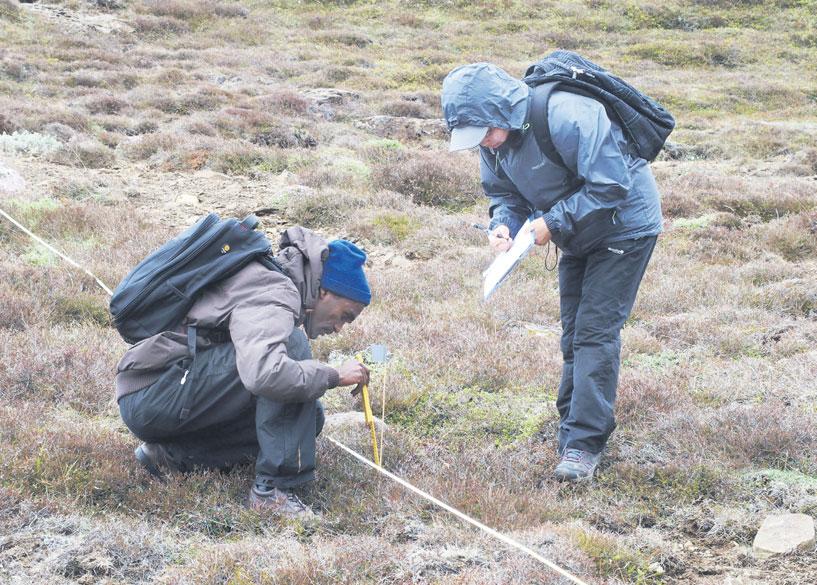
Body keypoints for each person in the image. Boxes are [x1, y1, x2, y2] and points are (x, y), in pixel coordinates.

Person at [442, 63, 662, 481]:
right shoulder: (492, 144)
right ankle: (571, 427)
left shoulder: (567, 113)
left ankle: (583, 445)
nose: (484, 144)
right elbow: (504, 193)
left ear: (500, 110)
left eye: (485, 132)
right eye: (476, 139)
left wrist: (552, 222)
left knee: (594, 331)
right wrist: (503, 222)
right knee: (572, 331)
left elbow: (612, 184)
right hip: (575, 231)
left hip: (625, 226)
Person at [115, 226, 372, 518]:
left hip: (156, 390)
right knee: (290, 347)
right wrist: (332, 376)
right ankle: (273, 492)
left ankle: (170, 457)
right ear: (325, 291)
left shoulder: (270, 283)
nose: (339, 328)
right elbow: (265, 374)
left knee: (309, 418)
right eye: (345, 316)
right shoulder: (274, 290)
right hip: (155, 390)